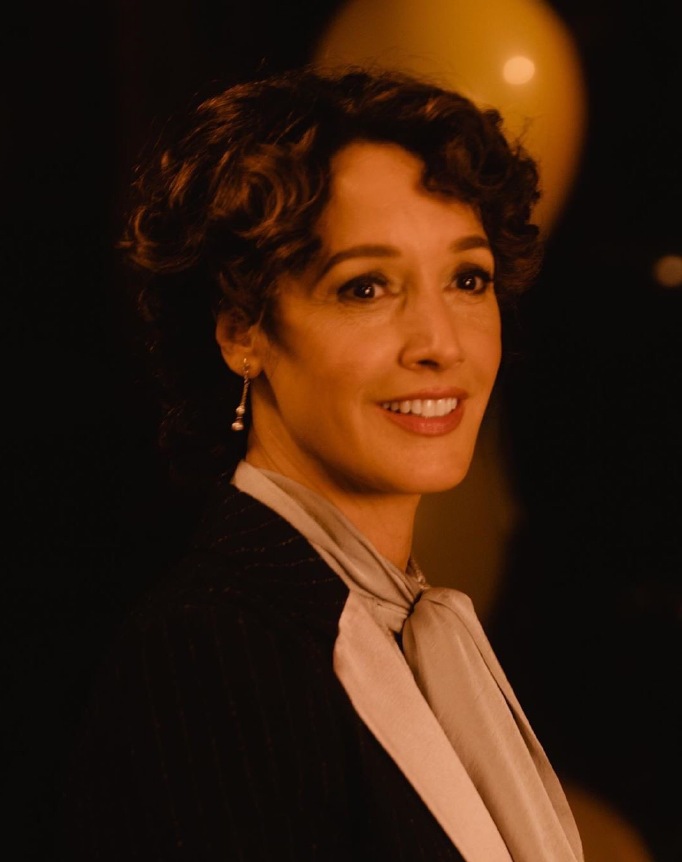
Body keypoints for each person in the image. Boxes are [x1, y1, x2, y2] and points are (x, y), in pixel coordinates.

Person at [63, 67, 584, 861]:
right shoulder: (210, 651)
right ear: (243, 331)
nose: (440, 343)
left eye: (467, 279)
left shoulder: (409, 629)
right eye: (366, 288)